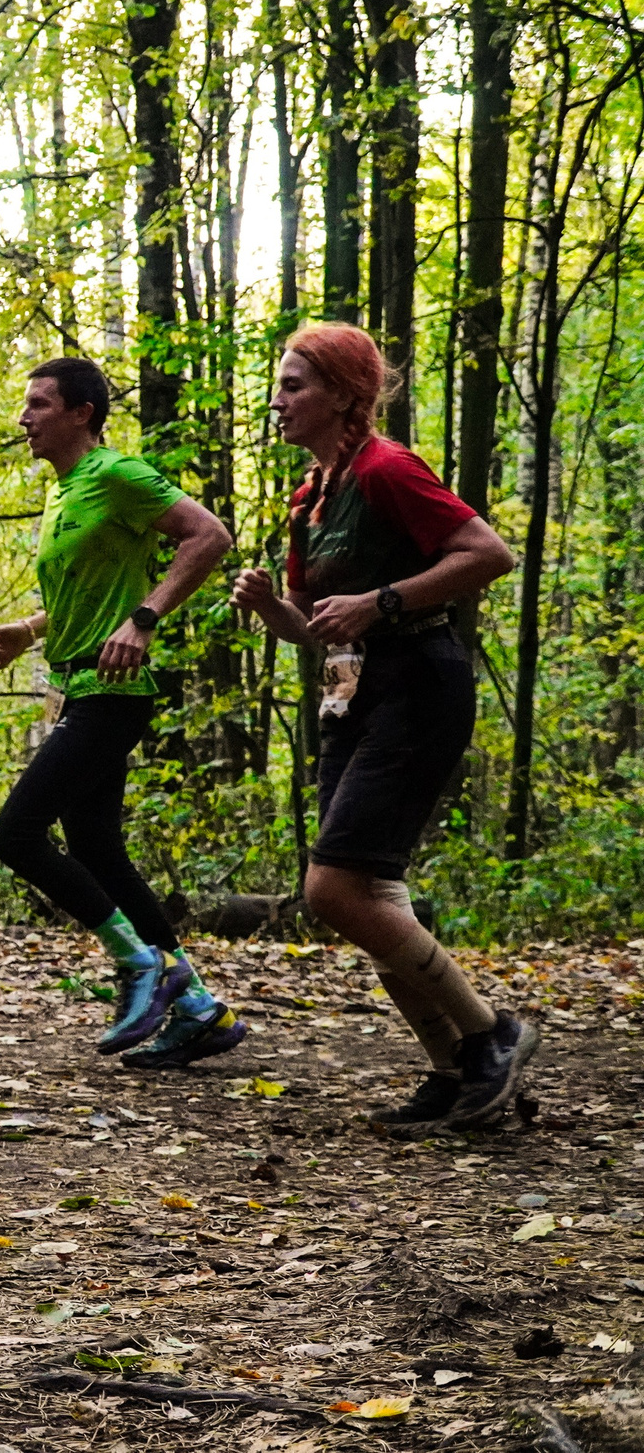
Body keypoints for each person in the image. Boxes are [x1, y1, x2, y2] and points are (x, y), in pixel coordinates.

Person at [231, 324, 530, 1133]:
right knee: (371, 893)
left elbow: (489, 553)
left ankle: (491, 1034)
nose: (278, 399)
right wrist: (271, 609)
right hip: (354, 690)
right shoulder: (309, 495)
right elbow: (312, 625)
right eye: (279, 384)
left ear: (343, 394)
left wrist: (386, 599)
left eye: (294, 385)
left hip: (419, 680)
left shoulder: (387, 468)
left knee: (332, 888)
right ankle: (458, 1071)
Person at [0, 358, 245, 1067]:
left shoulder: (117, 475)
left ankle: (140, 964)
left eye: (38, 403)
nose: (23, 417)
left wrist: (146, 617)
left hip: (113, 694)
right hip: (81, 686)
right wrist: (28, 632)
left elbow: (209, 535)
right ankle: (197, 1009)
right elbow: (88, 591)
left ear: (82, 412)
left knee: (17, 834)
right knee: (97, 848)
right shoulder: (64, 493)